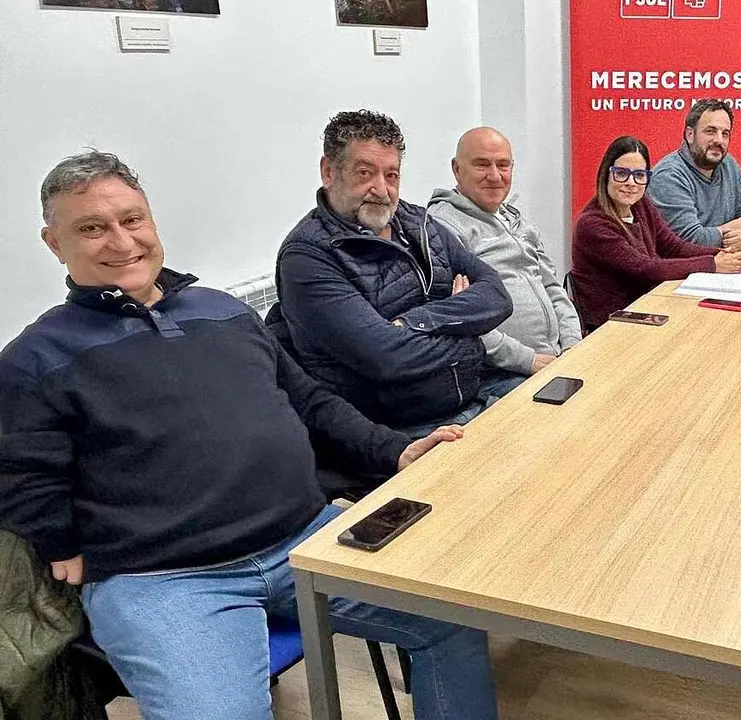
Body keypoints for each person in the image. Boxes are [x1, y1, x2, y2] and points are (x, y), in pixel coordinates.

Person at [0, 151, 499, 720]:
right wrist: (58, 541)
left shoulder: (221, 310)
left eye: (132, 219)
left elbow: (309, 400)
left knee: (452, 618)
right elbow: (21, 470)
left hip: (304, 538)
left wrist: (393, 449)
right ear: (53, 242)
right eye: (92, 228)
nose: (121, 241)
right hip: (167, 579)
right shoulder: (34, 358)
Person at [270, 110, 514, 437]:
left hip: (478, 393)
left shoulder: (418, 223)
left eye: (392, 175)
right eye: (365, 173)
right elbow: (386, 358)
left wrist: (415, 321)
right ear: (329, 172)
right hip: (405, 432)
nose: (381, 190)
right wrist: (469, 334)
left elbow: (497, 297)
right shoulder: (308, 256)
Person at [427, 127, 582, 390]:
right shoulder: (442, 228)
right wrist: (529, 361)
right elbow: (460, 321)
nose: (495, 176)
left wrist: (573, 347)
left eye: (503, 165)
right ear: (456, 169)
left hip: (556, 360)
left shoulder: (518, 222)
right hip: (500, 375)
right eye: (482, 165)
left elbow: (554, 289)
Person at [570, 135, 741, 331]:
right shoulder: (592, 224)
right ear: (606, 175)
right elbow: (646, 269)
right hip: (613, 323)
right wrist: (712, 264)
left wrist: (720, 254)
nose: (631, 182)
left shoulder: (641, 204)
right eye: (621, 173)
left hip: (649, 306)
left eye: (639, 175)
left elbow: (673, 247)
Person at [647, 99, 741, 251]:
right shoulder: (668, 176)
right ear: (690, 134)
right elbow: (691, 240)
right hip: (680, 270)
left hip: (723, 264)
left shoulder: (729, 164)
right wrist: (737, 226)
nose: (719, 140)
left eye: (725, 133)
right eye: (710, 131)